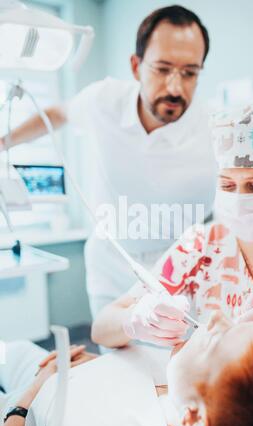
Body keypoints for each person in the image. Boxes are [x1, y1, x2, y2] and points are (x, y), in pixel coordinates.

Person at [0, 5, 216, 320]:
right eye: (162, 68)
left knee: (175, 362)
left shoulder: (215, 128)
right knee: (114, 357)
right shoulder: (104, 101)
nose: (175, 87)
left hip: (183, 270)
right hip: (112, 265)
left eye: (189, 73)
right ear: (136, 66)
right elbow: (58, 114)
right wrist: (4, 142)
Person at [91, 103, 253, 350]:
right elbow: (100, 329)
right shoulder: (201, 245)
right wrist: (135, 320)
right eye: (227, 185)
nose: (241, 199)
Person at [1, 312, 253, 426]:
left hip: (21, 409)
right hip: (60, 370)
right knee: (10, 349)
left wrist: (28, 396)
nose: (217, 317)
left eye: (215, 340)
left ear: (194, 418)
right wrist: (89, 367)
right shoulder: (184, 382)